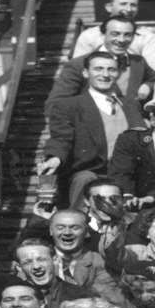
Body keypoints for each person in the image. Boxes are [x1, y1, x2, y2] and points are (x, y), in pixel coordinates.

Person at [41, 50, 147, 207]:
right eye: (98, 69)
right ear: (85, 73)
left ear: (118, 73)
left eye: (111, 69)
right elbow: (61, 138)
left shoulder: (130, 105)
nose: (105, 74)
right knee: (85, 181)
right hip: (91, 173)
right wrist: (55, 157)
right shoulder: (69, 106)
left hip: (128, 175)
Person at [49, 16, 154, 109]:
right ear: (103, 35)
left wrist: (148, 85)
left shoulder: (138, 62)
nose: (121, 40)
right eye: (115, 34)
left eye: (127, 35)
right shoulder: (78, 64)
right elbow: (56, 104)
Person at [72, 0, 155, 60]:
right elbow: (78, 67)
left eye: (133, 5)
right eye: (123, 4)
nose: (129, 9)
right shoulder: (89, 35)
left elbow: (152, 72)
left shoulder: (147, 37)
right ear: (109, 7)